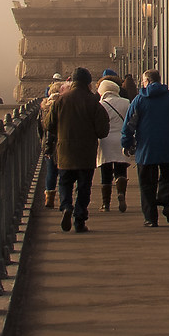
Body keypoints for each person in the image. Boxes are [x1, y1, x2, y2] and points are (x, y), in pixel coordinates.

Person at [120, 67, 169, 227]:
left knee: (146, 184)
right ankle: (166, 205)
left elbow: (129, 124)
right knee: (168, 178)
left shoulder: (139, 100)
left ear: (147, 81)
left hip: (146, 149)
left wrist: (127, 143)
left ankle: (150, 218)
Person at [44, 67, 111, 233]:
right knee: (83, 187)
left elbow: (48, 125)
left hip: (64, 152)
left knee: (65, 183)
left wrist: (61, 132)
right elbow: (103, 131)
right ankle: (79, 220)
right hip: (86, 154)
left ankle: (66, 206)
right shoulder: (93, 102)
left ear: (72, 82)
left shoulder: (60, 100)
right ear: (88, 83)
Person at [95, 74, 132, 212]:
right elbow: (130, 121)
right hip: (121, 139)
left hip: (105, 140)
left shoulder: (100, 105)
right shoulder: (126, 102)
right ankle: (121, 193)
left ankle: (106, 204)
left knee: (105, 171)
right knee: (121, 168)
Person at [37, 75, 66, 209]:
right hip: (62, 142)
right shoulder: (63, 105)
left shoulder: (44, 107)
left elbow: (39, 127)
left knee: (50, 171)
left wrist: (42, 141)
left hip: (48, 145)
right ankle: (64, 201)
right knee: (63, 173)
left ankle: (49, 198)